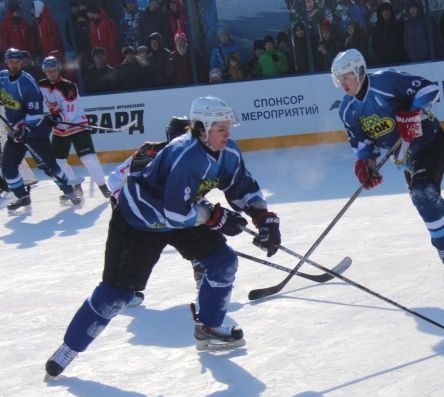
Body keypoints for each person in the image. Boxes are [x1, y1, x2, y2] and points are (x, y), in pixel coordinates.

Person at [45, 96, 282, 379]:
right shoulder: (183, 155)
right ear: (201, 129)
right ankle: (69, 348)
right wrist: (215, 217)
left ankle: (209, 327)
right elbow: (175, 214)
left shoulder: (227, 150)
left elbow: (240, 184)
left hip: (182, 212)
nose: (227, 134)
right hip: (139, 221)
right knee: (116, 295)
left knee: (223, 262)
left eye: (227, 127)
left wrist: (262, 216)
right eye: (221, 129)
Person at [331, 49, 444, 266]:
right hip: (404, 156)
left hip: (430, 142)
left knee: (423, 192)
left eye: (346, 77)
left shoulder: (386, 81)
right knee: (426, 197)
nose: (342, 84)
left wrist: (413, 113)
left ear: (359, 71)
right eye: (338, 80)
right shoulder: (347, 110)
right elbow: (362, 142)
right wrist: (366, 163)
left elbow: (428, 89)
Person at [106, 115, 200, 305]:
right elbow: (115, 179)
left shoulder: (190, 155)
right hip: (147, 213)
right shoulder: (153, 152)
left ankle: (203, 272)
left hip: (163, 211)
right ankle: (125, 290)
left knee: (197, 229)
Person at [1, 48, 81, 215]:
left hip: (35, 131)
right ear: (6, 61)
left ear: (21, 63)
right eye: (11, 61)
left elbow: (36, 115)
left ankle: (69, 191)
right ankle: (22, 197)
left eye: (17, 62)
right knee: (8, 167)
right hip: (16, 133)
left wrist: (23, 129)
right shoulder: (2, 77)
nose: (14, 65)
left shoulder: (27, 84)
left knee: (48, 167)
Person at [37, 55, 111, 201]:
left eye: (54, 69)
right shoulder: (41, 86)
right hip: (59, 130)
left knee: (89, 159)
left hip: (77, 126)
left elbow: (70, 111)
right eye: (48, 70)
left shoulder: (68, 86)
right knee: (58, 162)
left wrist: (56, 118)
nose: (51, 73)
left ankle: (104, 188)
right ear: (44, 71)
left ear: (58, 69)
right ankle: (75, 186)